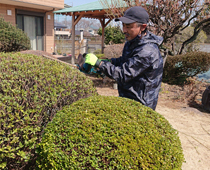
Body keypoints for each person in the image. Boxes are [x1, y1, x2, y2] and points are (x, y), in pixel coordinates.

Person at [85, 6, 163, 110]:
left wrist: (100, 64)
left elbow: (123, 74)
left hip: (141, 104)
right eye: (123, 25)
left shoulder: (147, 51)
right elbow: (124, 61)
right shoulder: (132, 42)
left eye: (129, 26)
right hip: (128, 97)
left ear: (143, 27)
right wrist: (107, 61)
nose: (124, 30)